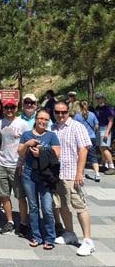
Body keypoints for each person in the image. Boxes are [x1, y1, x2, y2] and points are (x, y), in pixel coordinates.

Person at [51, 101, 95, 256]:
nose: (60, 115)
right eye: (57, 112)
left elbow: (83, 149)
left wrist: (79, 172)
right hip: (57, 174)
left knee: (79, 206)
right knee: (62, 205)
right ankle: (69, 233)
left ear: (68, 111)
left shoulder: (77, 126)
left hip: (72, 173)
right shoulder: (53, 127)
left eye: (63, 112)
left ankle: (88, 240)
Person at [18, 109, 60, 249]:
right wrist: (27, 144)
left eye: (46, 119)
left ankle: (50, 237)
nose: (43, 121)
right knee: (33, 206)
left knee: (47, 207)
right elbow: (20, 153)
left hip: (45, 175)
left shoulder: (51, 136)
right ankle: (36, 236)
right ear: (36, 119)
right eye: (40, 118)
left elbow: (56, 155)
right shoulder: (26, 135)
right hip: (29, 174)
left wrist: (41, 153)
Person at [0, 99, 29, 236]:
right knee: (4, 195)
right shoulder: (0, 123)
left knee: (20, 196)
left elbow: (27, 144)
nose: (9, 110)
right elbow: (0, 142)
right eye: (7, 108)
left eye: (12, 107)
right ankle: (10, 221)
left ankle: (24, 222)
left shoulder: (23, 124)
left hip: (17, 164)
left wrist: (23, 163)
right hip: (2, 162)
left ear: (16, 108)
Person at [74, 101, 100, 182]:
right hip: (92, 137)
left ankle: (82, 174)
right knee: (93, 156)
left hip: (81, 138)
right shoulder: (92, 114)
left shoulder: (77, 116)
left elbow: (74, 126)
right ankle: (97, 174)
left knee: (81, 156)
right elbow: (96, 126)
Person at [94, 92, 114, 175]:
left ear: (103, 99)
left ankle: (111, 166)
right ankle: (104, 164)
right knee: (101, 148)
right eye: (97, 98)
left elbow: (111, 121)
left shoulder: (107, 108)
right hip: (99, 129)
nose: (98, 100)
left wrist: (107, 132)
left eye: (100, 98)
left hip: (105, 128)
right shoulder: (97, 108)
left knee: (104, 148)